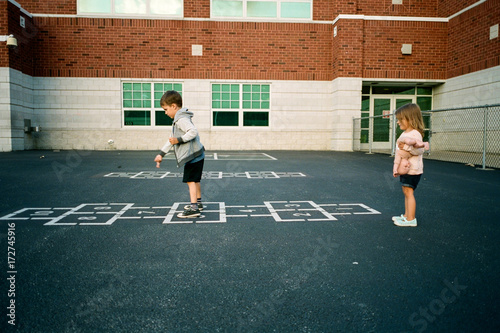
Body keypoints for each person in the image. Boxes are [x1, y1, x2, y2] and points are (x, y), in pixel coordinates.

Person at [154, 90, 205, 218]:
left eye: (165, 109)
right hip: (197, 154)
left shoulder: (181, 119)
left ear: (173, 106)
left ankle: (194, 208)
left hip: (193, 155)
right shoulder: (179, 119)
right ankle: (198, 203)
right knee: (195, 179)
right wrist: (161, 154)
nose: (165, 113)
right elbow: (171, 139)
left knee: (190, 180)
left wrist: (179, 140)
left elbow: (193, 132)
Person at [392, 103, 426, 227]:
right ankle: (407, 215)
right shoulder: (405, 133)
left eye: (400, 119)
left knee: (409, 192)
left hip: (412, 170)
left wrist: (406, 147)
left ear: (410, 119)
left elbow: (420, 150)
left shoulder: (415, 134)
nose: (398, 122)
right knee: (406, 191)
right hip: (405, 169)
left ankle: (411, 219)